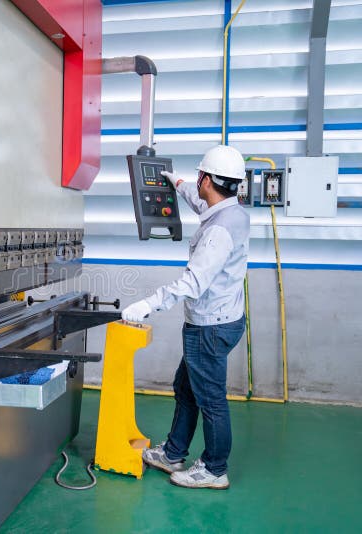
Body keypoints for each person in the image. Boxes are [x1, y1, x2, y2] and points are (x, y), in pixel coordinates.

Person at [121, 144, 250, 490]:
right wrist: (174, 181)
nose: (197, 182)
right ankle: (173, 452)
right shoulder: (232, 212)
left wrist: (146, 304)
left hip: (209, 327)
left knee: (210, 399)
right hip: (226, 319)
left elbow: (193, 282)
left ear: (207, 178)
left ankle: (214, 468)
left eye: (198, 177)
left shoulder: (218, 233)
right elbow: (199, 200)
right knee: (186, 387)